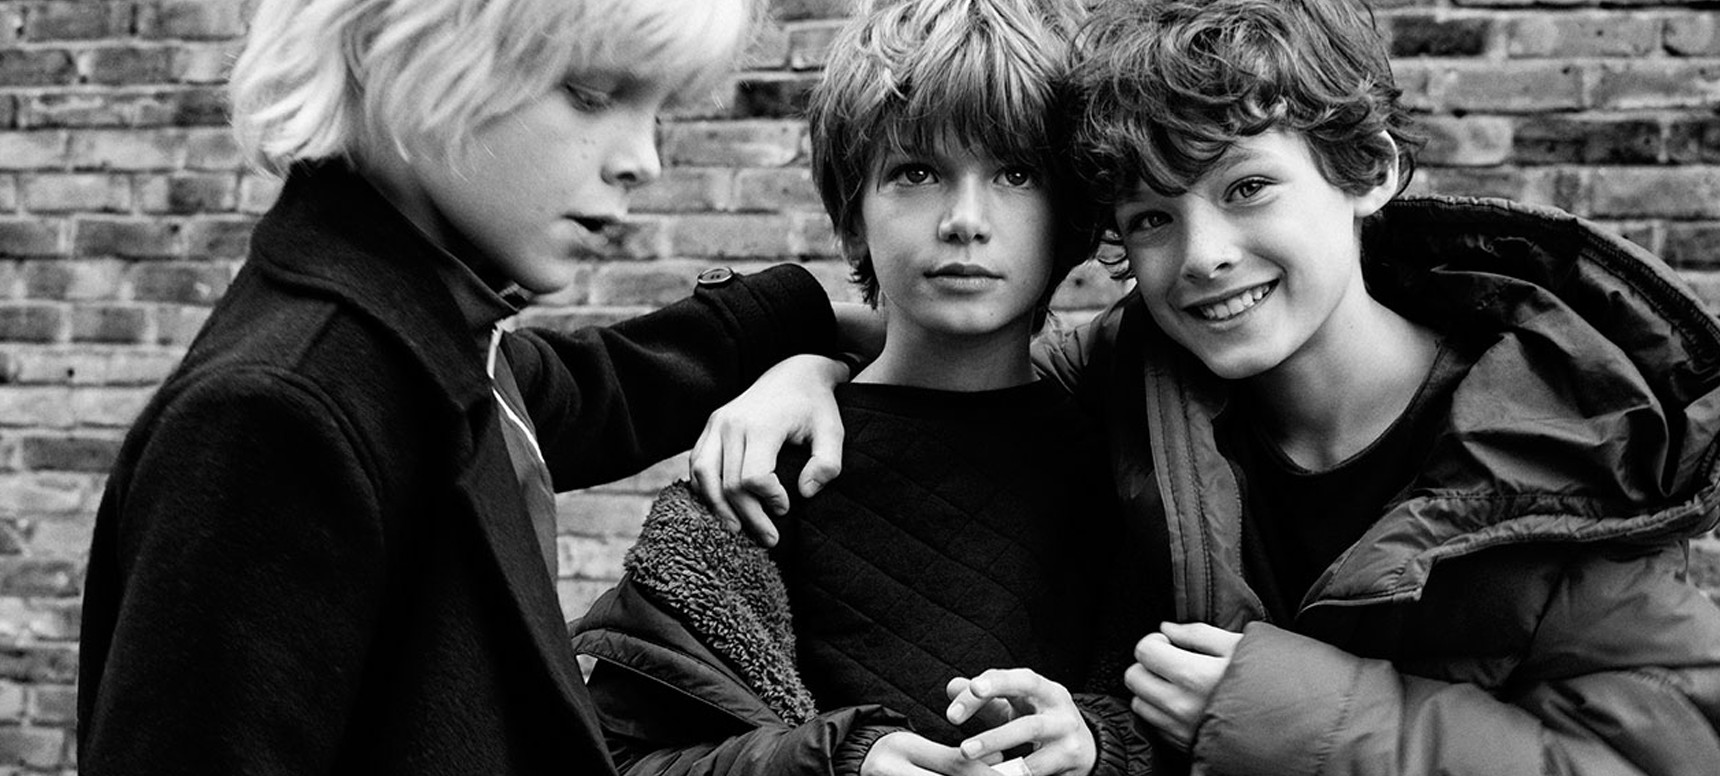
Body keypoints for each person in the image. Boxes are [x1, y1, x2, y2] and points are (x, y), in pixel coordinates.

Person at [695, 0, 1720, 772]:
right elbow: (967, 349)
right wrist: (807, 367)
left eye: (1248, 188)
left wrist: (1289, 710)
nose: (1203, 255)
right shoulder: (1134, 376)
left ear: (1368, 170)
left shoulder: (1563, 444)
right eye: (1152, 217)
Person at [74, 0, 849, 772]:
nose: (642, 160)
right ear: (407, 62)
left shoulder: (413, 337)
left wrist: (822, 343)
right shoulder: (279, 414)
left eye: (659, 109)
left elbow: (601, 389)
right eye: (590, 94)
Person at [569, 1, 1163, 775]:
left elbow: (1189, 731)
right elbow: (619, 759)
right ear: (853, 217)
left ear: (1076, 219)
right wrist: (833, 762)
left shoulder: (1134, 465)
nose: (965, 219)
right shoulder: (765, 468)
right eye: (917, 172)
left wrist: (1097, 750)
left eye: (1016, 173)